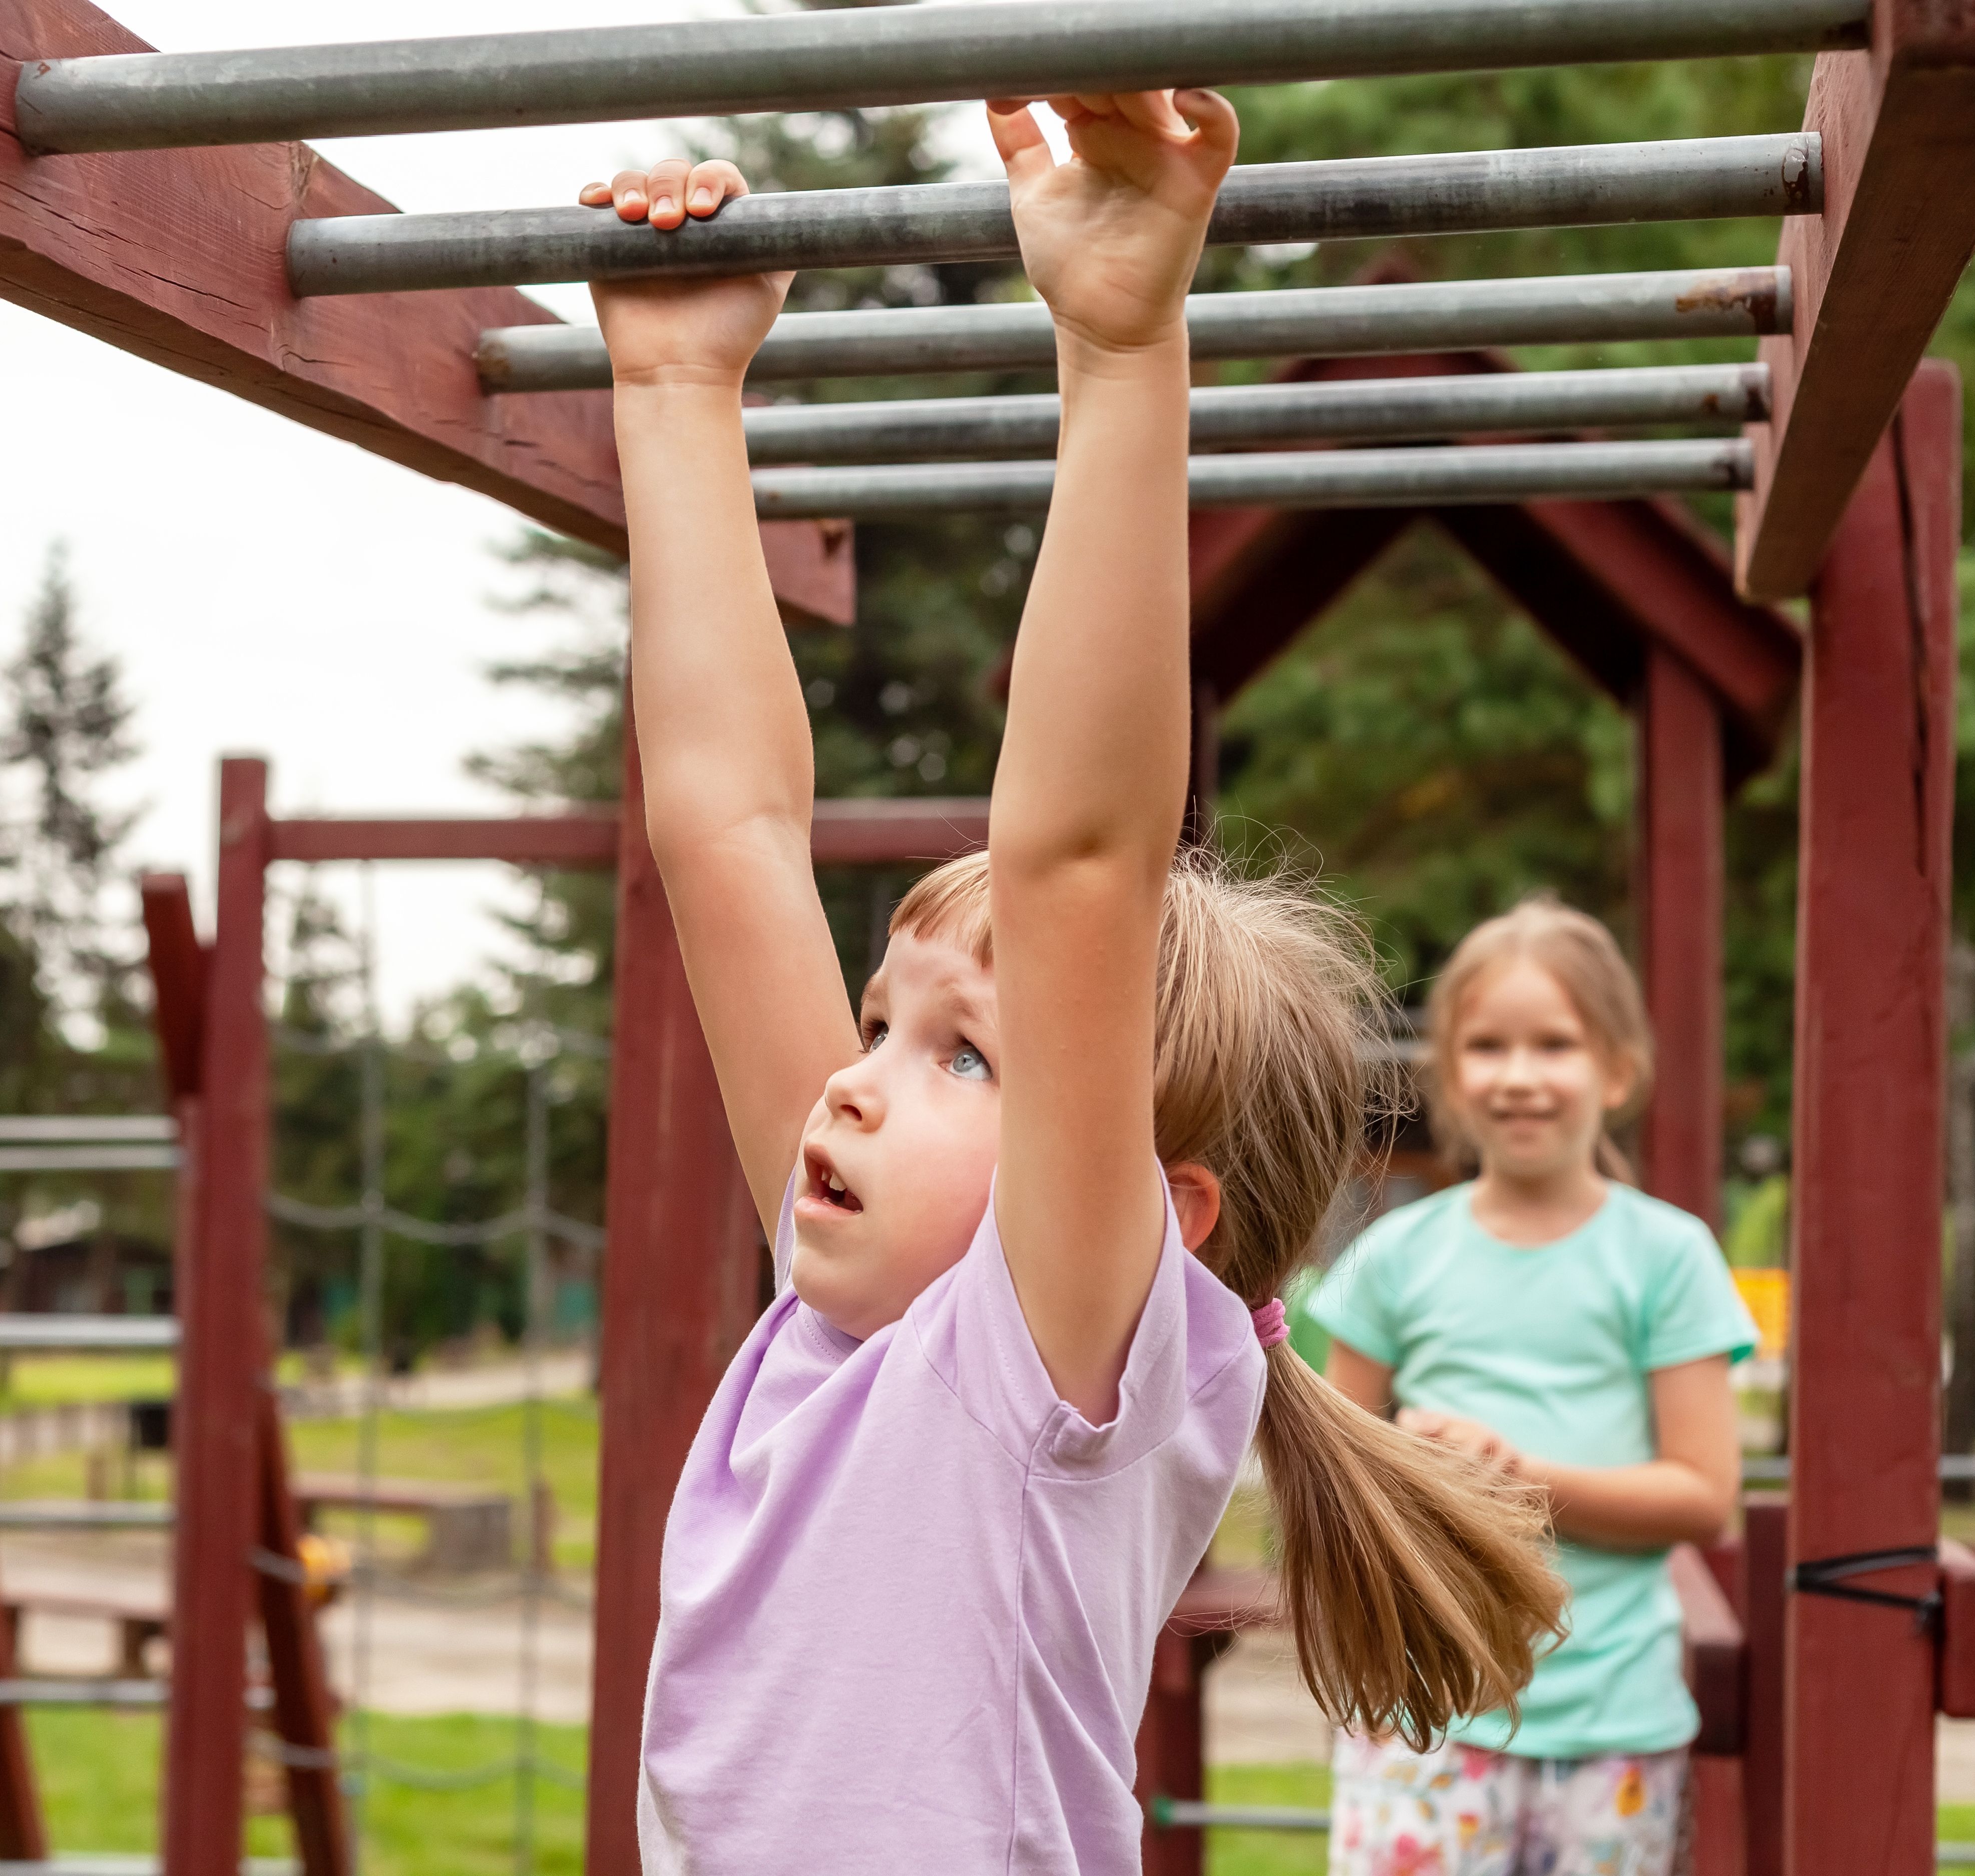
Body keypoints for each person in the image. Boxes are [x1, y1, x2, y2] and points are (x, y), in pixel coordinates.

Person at [578, 88, 1567, 1876]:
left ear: (1155, 1212)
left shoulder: (1050, 1361)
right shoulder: (853, 1341)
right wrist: (672, 395)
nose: (858, 1076)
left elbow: (1080, 863)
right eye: (888, 1021)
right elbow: (725, 829)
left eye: (967, 1056)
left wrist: (1120, 348)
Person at [1306, 898, 1760, 1876]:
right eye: (1488, 1047)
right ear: (1451, 1076)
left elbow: (1703, 1495)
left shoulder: (1668, 1258)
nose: (1520, 1077)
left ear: (1618, 1067)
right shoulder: (1394, 1260)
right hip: (1419, 1712)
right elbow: (1330, 1467)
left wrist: (1519, 1477)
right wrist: (1415, 1473)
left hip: (1612, 1724)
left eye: (1555, 1044)